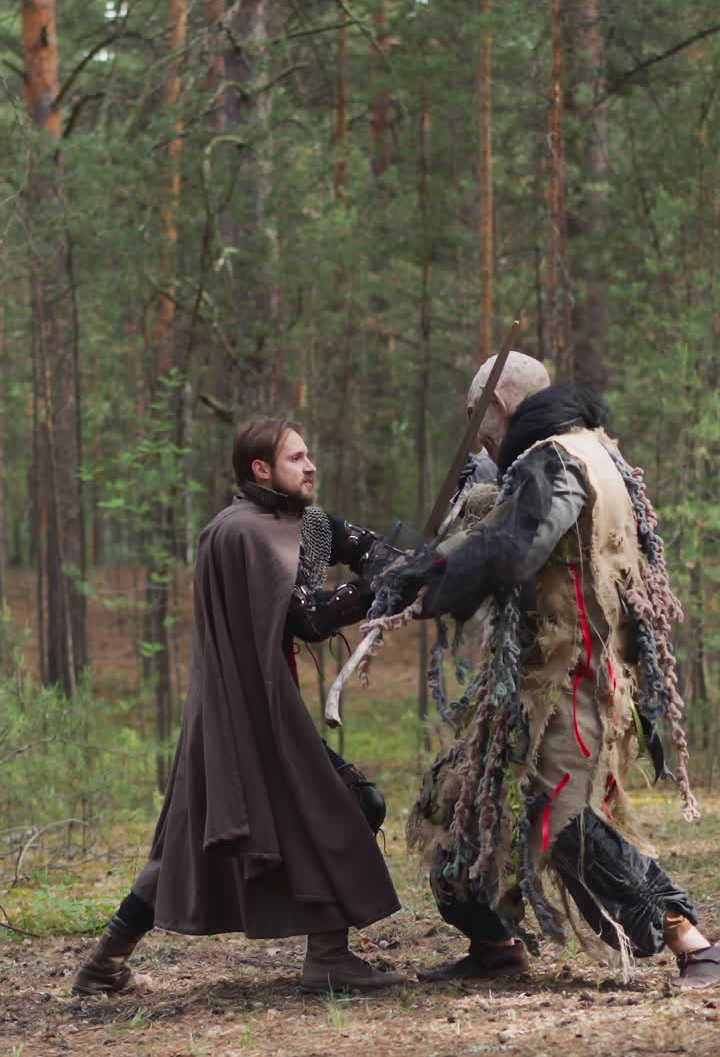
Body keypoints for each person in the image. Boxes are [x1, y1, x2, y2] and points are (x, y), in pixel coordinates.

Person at [369, 353, 718, 992]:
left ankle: (688, 939)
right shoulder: (596, 448)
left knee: (562, 814)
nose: (480, 440)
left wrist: (439, 582)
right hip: (544, 673)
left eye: (482, 423)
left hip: (569, 673)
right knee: (468, 799)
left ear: (500, 407)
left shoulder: (555, 459)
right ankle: (494, 944)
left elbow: (516, 550)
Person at [72, 417, 405, 997]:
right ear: (262, 469)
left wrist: (399, 564)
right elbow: (310, 616)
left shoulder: (303, 523)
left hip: (268, 705)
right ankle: (107, 962)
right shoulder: (241, 532)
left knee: (335, 808)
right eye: (297, 458)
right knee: (207, 835)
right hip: (236, 714)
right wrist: (378, 587)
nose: (311, 466)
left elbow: (369, 548)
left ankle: (326, 955)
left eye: (309, 455)